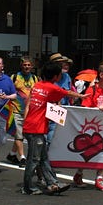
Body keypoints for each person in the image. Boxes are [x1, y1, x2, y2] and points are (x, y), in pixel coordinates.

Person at [22, 60, 89, 195]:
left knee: (43, 158)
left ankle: (53, 183)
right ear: (55, 76)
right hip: (37, 128)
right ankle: (28, 187)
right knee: (34, 159)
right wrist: (81, 95)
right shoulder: (51, 87)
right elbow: (67, 92)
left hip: (31, 126)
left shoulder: (38, 85)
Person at [73, 63, 103, 191]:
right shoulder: (91, 90)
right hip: (92, 127)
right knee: (88, 153)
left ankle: (99, 179)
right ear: (101, 75)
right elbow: (85, 109)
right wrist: (97, 109)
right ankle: (79, 173)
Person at [7, 56, 39, 167]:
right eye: (24, 65)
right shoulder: (14, 77)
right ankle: (22, 157)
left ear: (32, 66)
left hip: (30, 111)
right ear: (21, 65)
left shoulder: (35, 79)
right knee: (19, 134)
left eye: (28, 65)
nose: (26, 67)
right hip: (16, 109)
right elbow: (9, 90)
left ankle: (12, 154)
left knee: (23, 134)